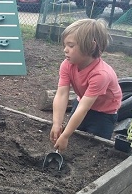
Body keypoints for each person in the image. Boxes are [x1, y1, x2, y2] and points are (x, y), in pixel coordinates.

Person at [50, 19, 122, 152]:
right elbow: (61, 94)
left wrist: (65, 135)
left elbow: (84, 108)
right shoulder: (67, 64)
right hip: (81, 101)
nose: (65, 50)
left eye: (71, 46)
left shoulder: (101, 74)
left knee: (95, 149)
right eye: (65, 45)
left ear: (91, 46)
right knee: (75, 139)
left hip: (104, 114)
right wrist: (57, 123)